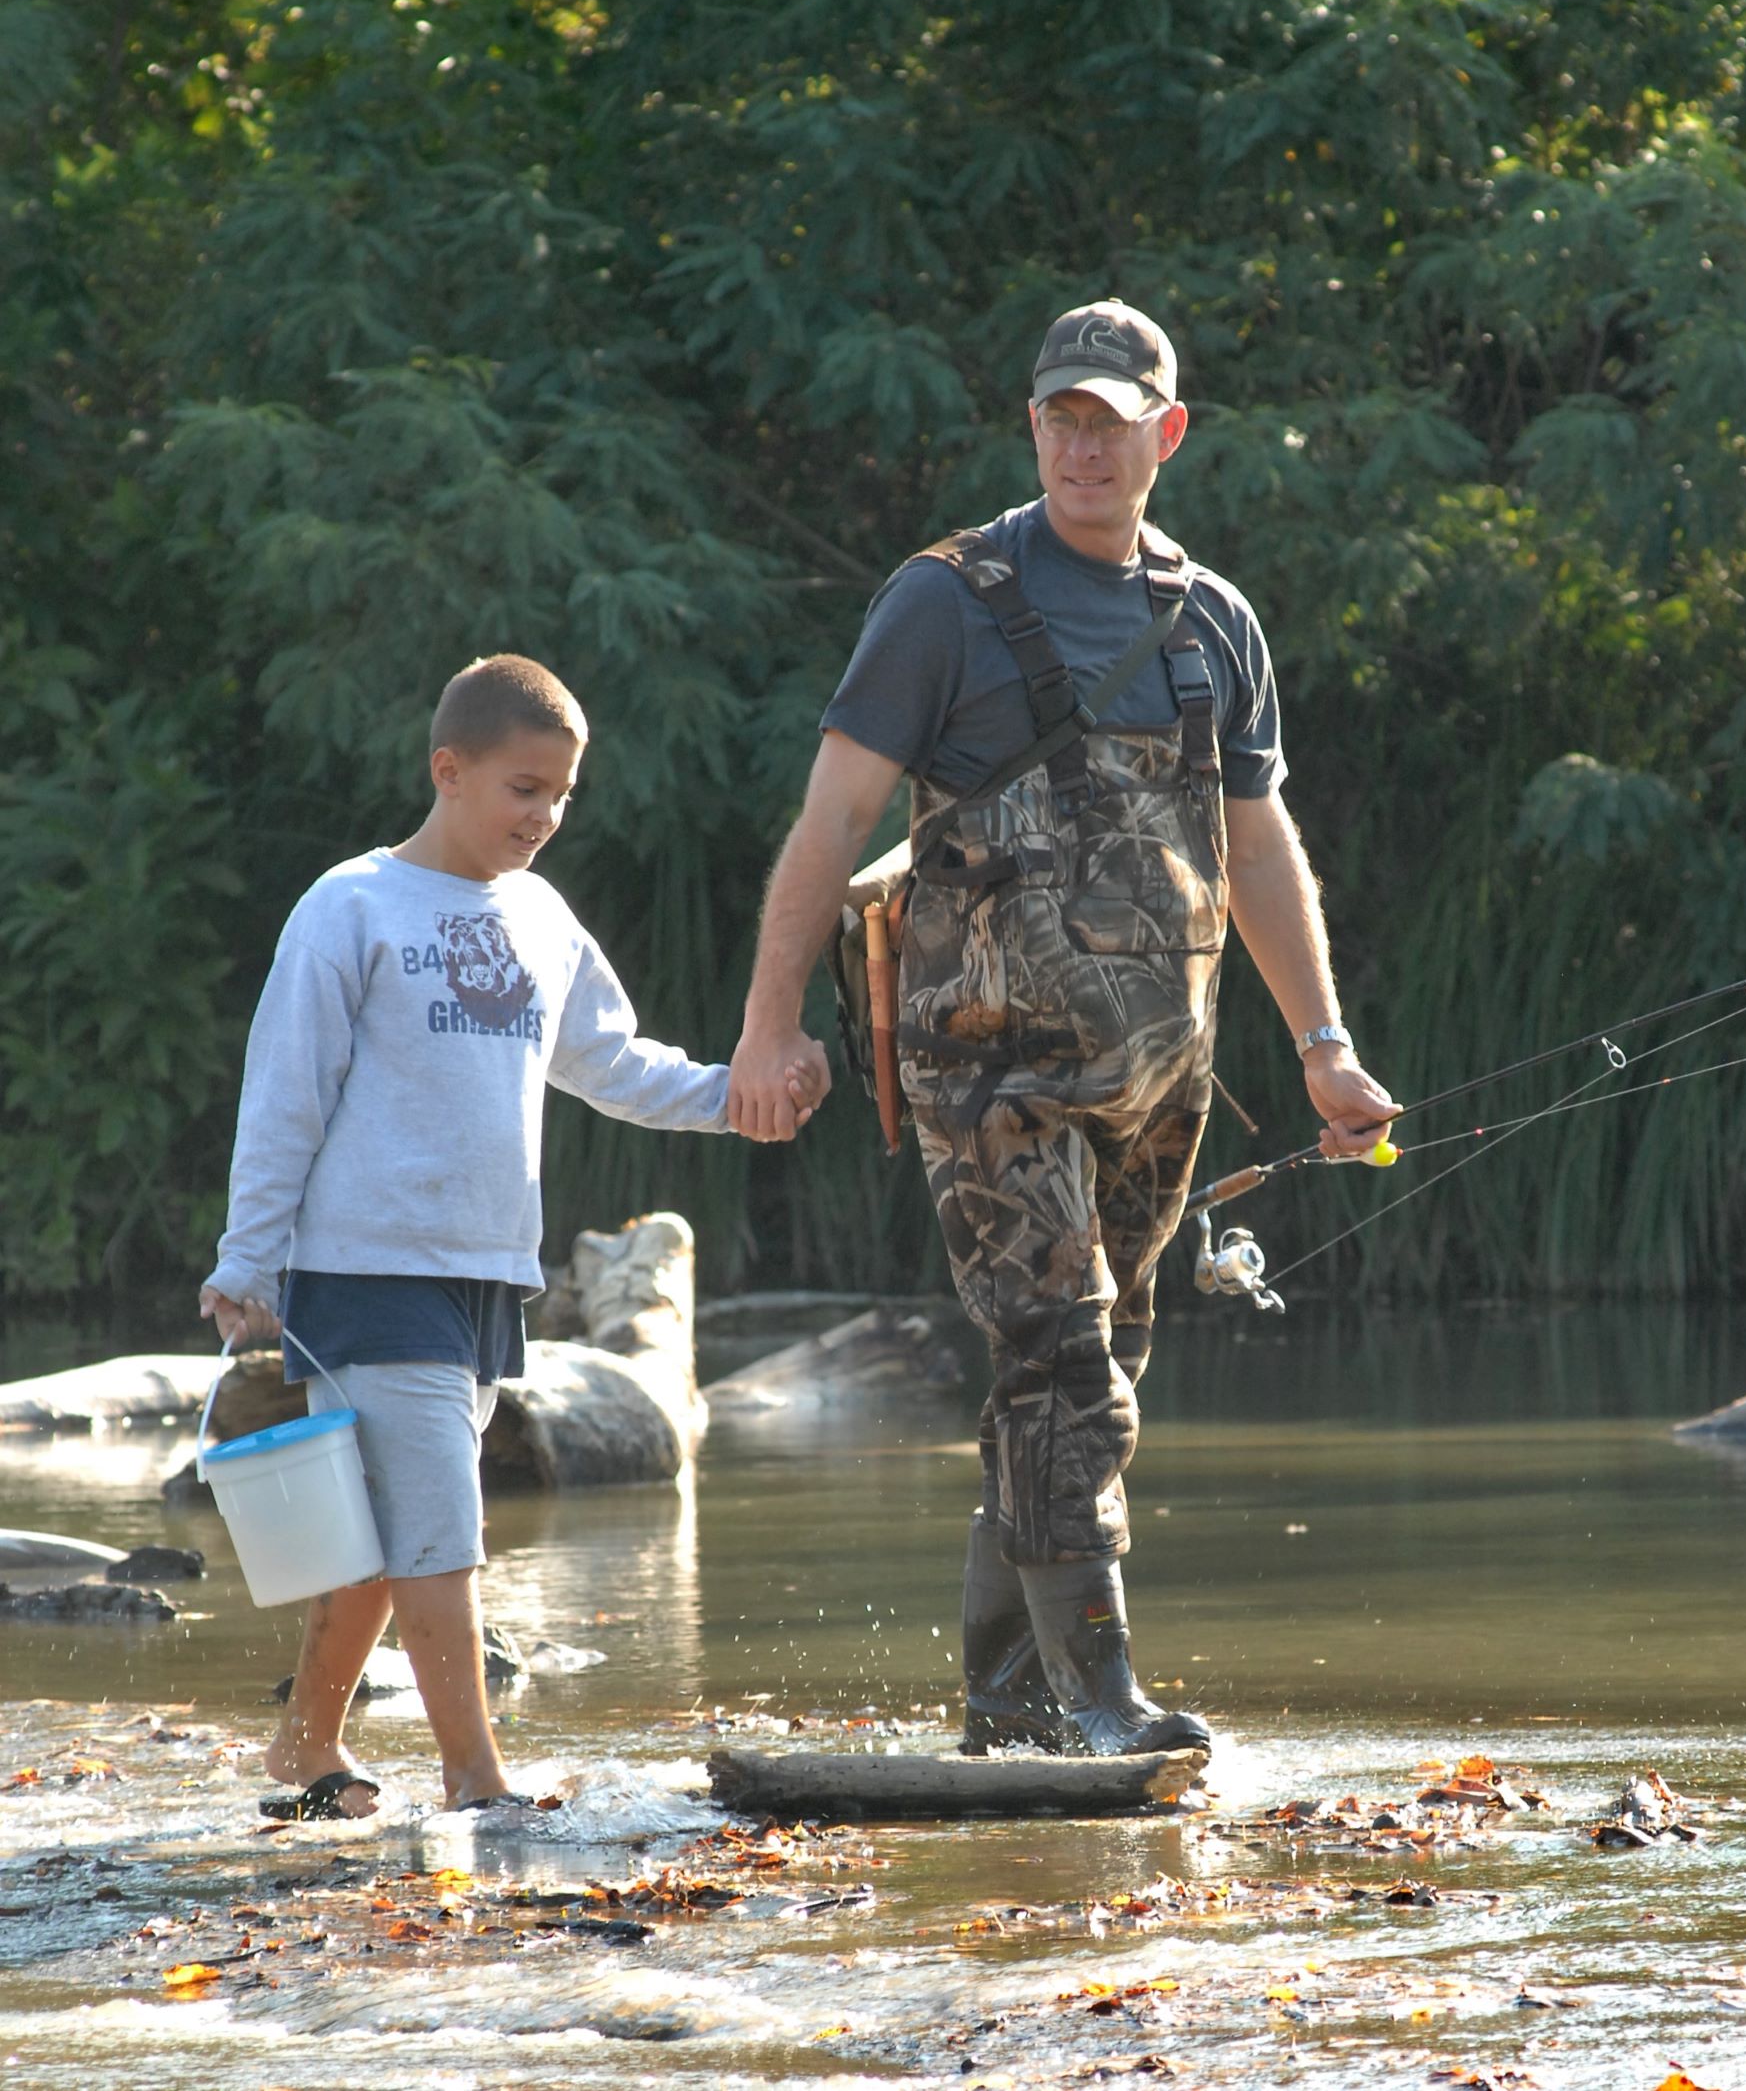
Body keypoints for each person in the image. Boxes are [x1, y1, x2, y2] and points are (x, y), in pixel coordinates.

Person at [727, 299, 1399, 1757]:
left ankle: (1004, 1696)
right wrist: (769, 1025)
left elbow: (1259, 843)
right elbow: (832, 819)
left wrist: (1323, 1044)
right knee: (1062, 1364)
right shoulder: (943, 600)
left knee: (1083, 1369)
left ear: (1167, 434)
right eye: (1060, 418)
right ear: (1032, 428)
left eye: (1114, 420)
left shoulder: (1213, 617)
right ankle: (1098, 1701)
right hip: (986, 1069)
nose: (1086, 445)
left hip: (1162, 1078)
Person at [200, 655, 743, 1820]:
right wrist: (247, 1260)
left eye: (560, 796)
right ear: (448, 771)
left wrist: (728, 1092)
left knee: (383, 1535)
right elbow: (283, 1092)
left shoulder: (541, 917)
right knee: (439, 1525)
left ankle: (303, 1746)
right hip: (365, 1270)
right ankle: (473, 1777)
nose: (543, 817)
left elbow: (610, 1060)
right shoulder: (350, 907)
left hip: (487, 1272)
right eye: (522, 788)